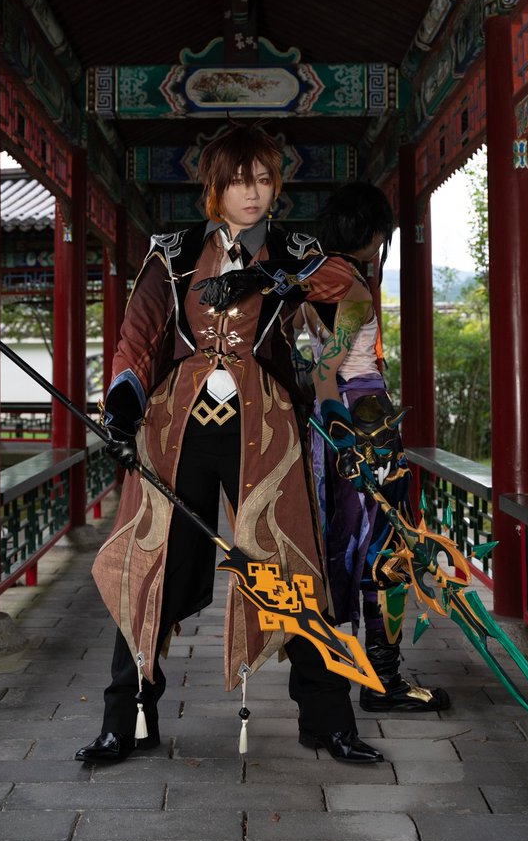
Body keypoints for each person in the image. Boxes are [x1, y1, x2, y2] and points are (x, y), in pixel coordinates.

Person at [76, 124, 384, 766]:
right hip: (175, 430)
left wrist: (274, 281)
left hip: (265, 431)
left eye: (264, 180)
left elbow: (352, 295)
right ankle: (125, 722)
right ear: (214, 187)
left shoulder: (297, 250)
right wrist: (122, 407)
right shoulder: (175, 251)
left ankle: (327, 721)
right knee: (151, 565)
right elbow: (138, 336)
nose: (253, 192)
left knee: (293, 567)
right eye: (240, 180)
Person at [302, 181, 450, 714]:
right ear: (370, 234)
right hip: (365, 421)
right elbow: (327, 370)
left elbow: (309, 362)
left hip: (328, 428)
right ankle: (384, 680)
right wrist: (349, 431)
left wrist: (327, 422)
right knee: (389, 546)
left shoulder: (311, 283)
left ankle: (360, 671)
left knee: (346, 537)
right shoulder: (357, 289)